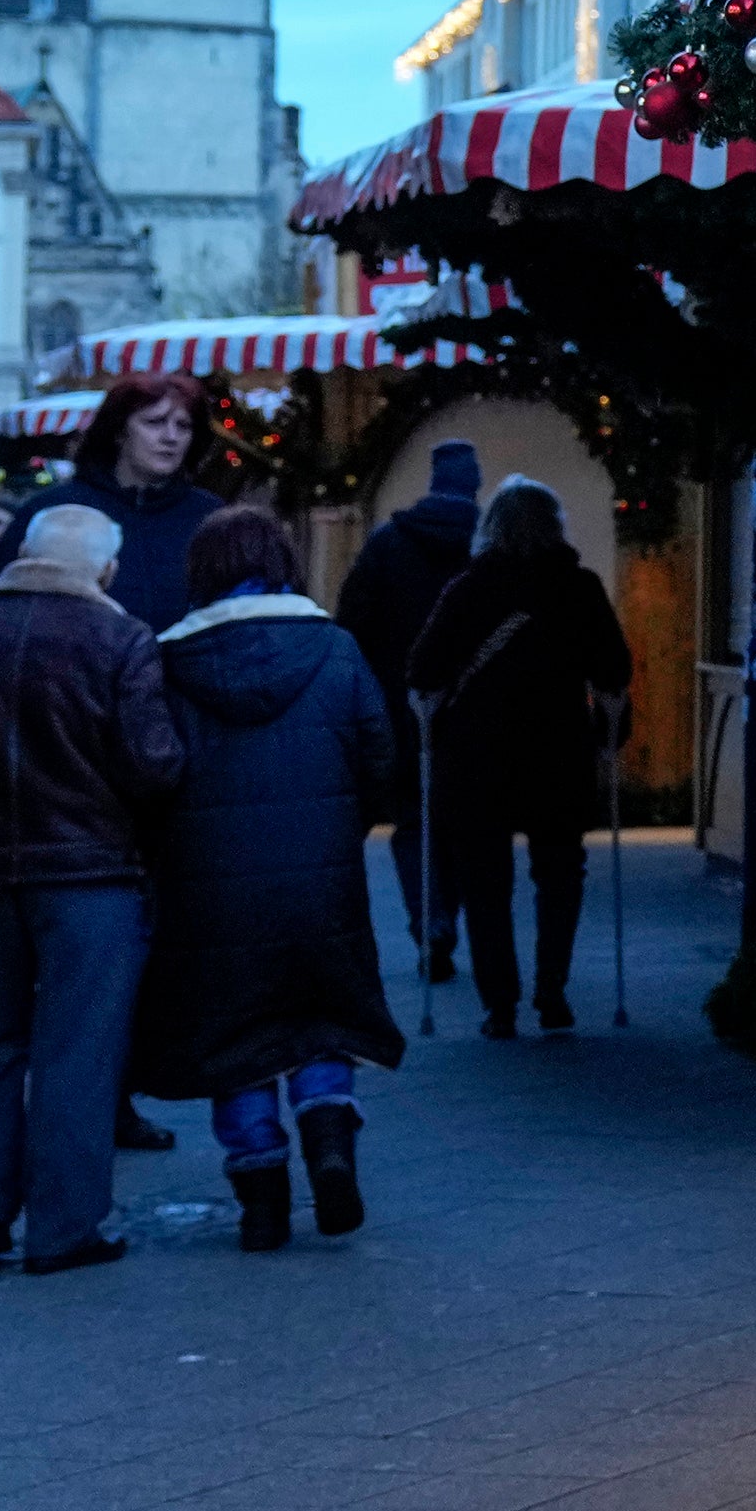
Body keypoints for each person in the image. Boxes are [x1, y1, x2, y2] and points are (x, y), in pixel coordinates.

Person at [0, 500, 181, 1274]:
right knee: (78, 1047)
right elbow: (154, 765)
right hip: (91, 876)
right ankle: (64, 1228)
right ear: (105, 569)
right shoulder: (120, 637)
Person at [137, 506, 406, 1251]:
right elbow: (380, 757)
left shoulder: (167, 661)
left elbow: (150, 771)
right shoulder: (335, 647)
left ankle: (260, 1198)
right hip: (322, 876)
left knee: (237, 1034)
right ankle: (329, 1138)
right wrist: (339, 828)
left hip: (209, 886)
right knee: (321, 1015)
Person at [402, 478, 628, 1038]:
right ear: (555, 527)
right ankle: (552, 992)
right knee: (559, 874)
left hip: (476, 759)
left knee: (485, 882)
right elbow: (614, 673)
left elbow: (423, 670)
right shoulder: (580, 589)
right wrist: (607, 732)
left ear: (490, 529)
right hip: (558, 754)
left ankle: (499, 1005)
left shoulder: (466, 590)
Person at [334, 442, 486, 980]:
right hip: (473, 714)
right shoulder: (487, 547)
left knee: (413, 822)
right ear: (474, 485)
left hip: (399, 709)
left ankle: (430, 922)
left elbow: (350, 622)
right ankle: (448, 919)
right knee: (462, 826)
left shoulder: (387, 545)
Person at [37, 380, 226, 631]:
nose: (171, 437)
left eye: (184, 426)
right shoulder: (56, 510)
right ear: (119, 431)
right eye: (154, 422)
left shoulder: (211, 517)